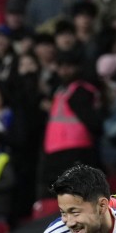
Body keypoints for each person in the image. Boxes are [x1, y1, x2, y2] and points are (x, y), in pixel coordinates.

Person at [40, 48, 101, 199]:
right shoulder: (61, 91)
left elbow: (93, 122)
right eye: (61, 67)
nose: (64, 70)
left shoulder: (80, 90)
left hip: (75, 149)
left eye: (68, 66)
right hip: (57, 150)